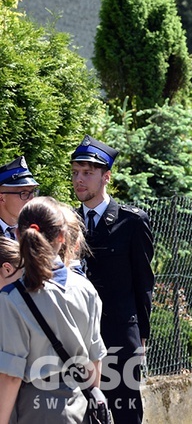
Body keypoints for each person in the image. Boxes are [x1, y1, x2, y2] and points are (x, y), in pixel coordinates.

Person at [70, 135, 154, 423]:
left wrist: (141, 335)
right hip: (78, 335)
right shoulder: (68, 223)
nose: (79, 180)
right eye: (75, 173)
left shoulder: (131, 221)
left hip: (119, 332)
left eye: (87, 173)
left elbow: (144, 283)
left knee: (124, 410)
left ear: (106, 177)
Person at [0, 197, 107, 423]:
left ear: (18, 235)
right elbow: (95, 359)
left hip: (33, 408)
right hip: (78, 405)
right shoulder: (85, 289)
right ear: (62, 236)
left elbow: (11, 376)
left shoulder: (11, 298)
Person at [0, 156, 39, 240]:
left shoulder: (37, 231)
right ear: (1, 197)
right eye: (24, 193)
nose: (31, 199)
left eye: (32, 192)